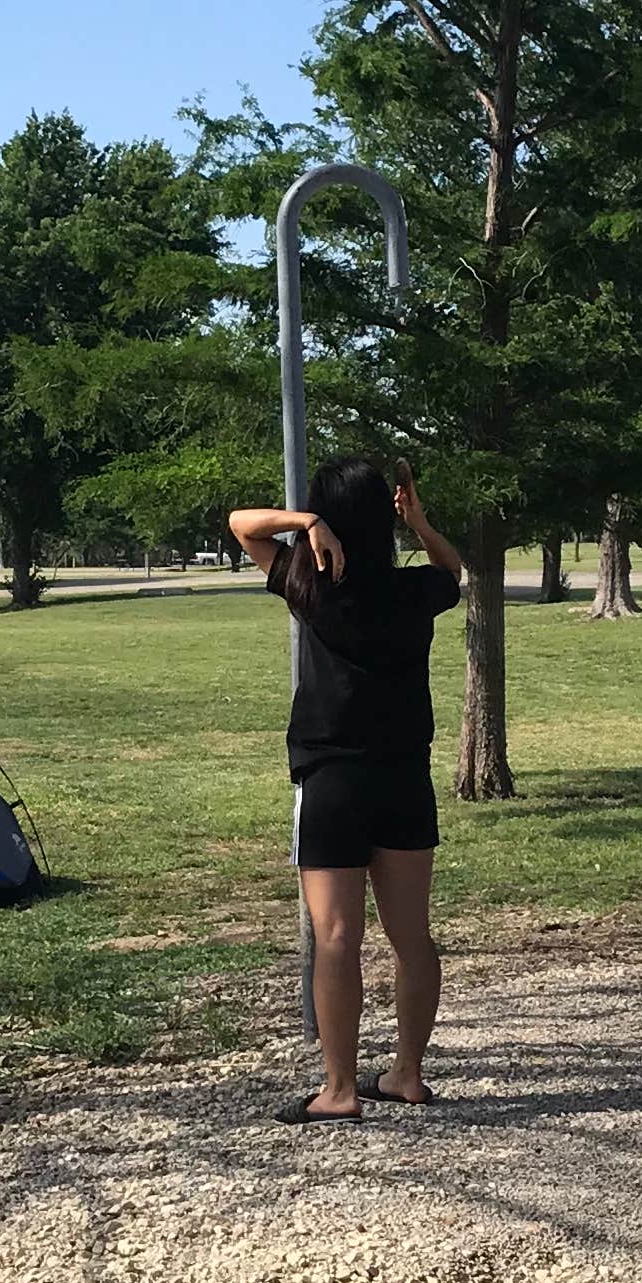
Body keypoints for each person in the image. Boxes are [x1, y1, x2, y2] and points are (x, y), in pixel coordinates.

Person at [227, 454, 464, 1120]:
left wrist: (305, 523)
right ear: (383, 516)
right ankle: (408, 1075)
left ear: (328, 514)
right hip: (403, 778)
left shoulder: (311, 581)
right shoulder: (415, 591)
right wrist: (419, 522)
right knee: (411, 937)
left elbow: (241, 526)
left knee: (336, 937)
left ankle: (338, 1091)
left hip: (331, 778)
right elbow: (454, 572)